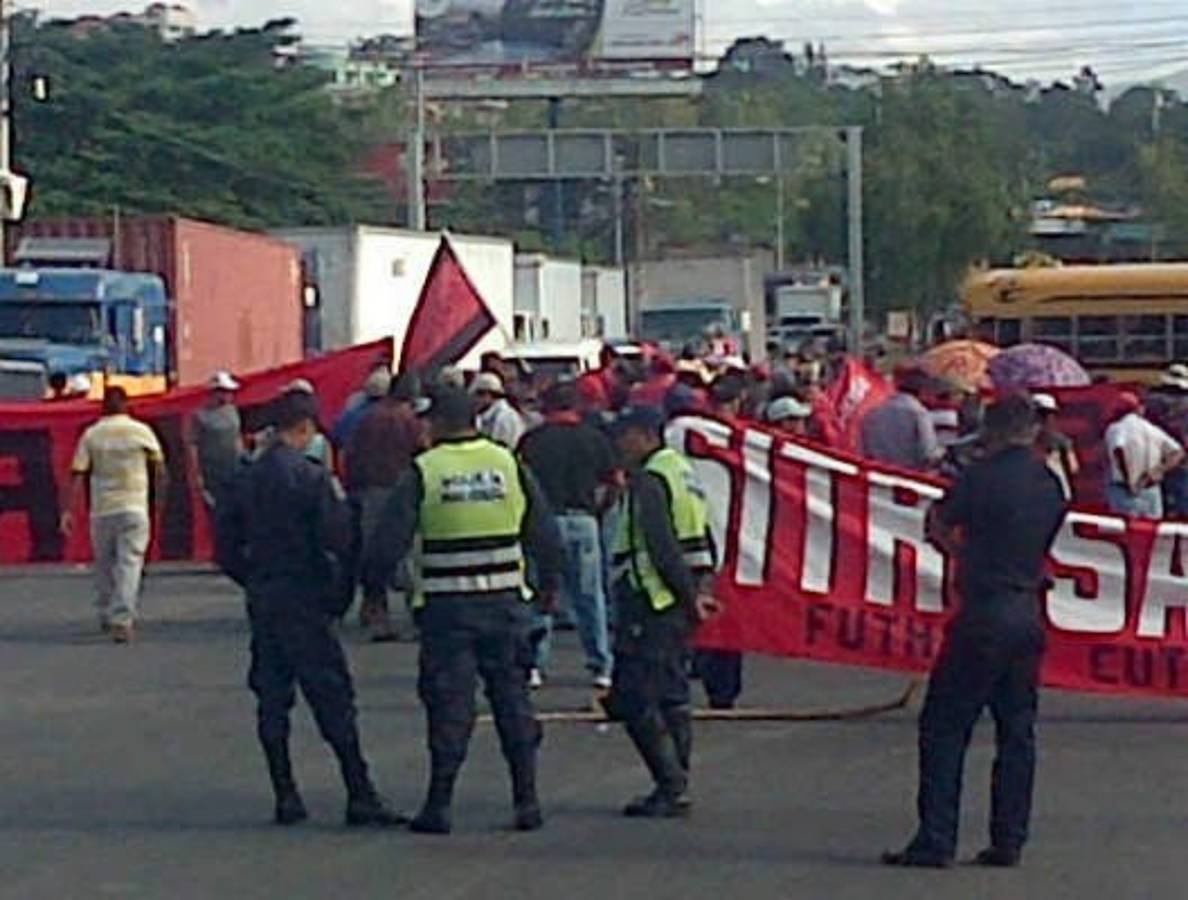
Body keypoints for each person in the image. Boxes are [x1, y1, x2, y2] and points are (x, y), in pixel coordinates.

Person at [363, 386, 563, 835]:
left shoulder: (425, 471)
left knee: (450, 706)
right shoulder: (507, 464)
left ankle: (439, 804)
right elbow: (545, 534)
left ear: (435, 424)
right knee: (512, 701)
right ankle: (526, 800)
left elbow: (386, 544)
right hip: (506, 603)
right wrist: (548, 587)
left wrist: (372, 589)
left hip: (448, 609)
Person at [883, 394, 1067, 869]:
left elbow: (939, 522)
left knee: (945, 727)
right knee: (1017, 731)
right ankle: (1009, 838)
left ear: (992, 429)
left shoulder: (979, 477)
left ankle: (936, 838)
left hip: (984, 609)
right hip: (1028, 609)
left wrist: (960, 554)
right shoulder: (1049, 482)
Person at [214, 389, 403, 829]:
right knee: (332, 697)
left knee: (272, 697)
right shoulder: (311, 477)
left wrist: (253, 577)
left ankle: (286, 794)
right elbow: (338, 539)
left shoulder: (245, 478)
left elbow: (226, 548)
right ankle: (359, 791)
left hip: (265, 594)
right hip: (305, 594)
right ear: (305, 429)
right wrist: (339, 592)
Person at [606, 406, 718, 818]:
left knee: (632, 696)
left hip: (651, 601)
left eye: (624, 436)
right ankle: (677, 780)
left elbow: (661, 545)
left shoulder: (650, 480)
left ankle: (670, 783)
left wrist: (688, 597)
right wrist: (701, 590)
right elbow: (704, 534)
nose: (618, 445)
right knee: (672, 693)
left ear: (643, 436)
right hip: (677, 601)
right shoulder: (682, 472)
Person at [518, 380, 619, 690]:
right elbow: (615, 481)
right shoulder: (594, 439)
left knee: (540, 593)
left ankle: (534, 664)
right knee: (590, 597)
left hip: (541, 522)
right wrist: (600, 510)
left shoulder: (531, 441)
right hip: (582, 520)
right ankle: (601, 665)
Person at [61, 387, 166, 644]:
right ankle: (122, 618)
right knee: (130, 563)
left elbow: (78, 473)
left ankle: (107, 611)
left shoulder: (93, 435)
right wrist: (160, 504)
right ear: (126, 405)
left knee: (105, 564)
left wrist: (68, 510)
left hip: (103, 508)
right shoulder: (141, 431)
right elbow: (161, 471)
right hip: (135, 506)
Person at [345, 372, 428, 641]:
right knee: (408, 555)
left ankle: (375, 611)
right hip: (401, 489)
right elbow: (423, 453)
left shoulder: (369, 417)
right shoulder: (409, 421)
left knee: (374, 553)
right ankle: (417, 615)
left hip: (369, 490)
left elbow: (352, 453)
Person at [1104, 392, 1184, 520]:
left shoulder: (1117, 428)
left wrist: (1130, 480)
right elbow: (1177, 452)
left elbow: (1118, 451)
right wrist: (1159, 470)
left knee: (1126, 534)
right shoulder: (1152, 429)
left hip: (1125, 491)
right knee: (1152, 533)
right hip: (1151, 491)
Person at [859, 366, 944, 472]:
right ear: (922, 390)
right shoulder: (918, 414)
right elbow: (929, 454)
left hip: (877, 477)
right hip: (910, 477)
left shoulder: (873, 413)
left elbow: (863, 450)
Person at [188, 371, 243, 511]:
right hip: (212, 473)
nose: (228, 395)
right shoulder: (199, 416)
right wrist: (197, 475)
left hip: (235, 470)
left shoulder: (233, 411)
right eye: (224, 392)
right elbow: (192, 446)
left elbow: (237, 436)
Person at [1033, 394, 1079, 501]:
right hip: (1057, 493)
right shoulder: (1061, 440)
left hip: (1041, 495)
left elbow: (1073, 468)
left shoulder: (1021, 440)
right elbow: (1074, 468)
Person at [471, 371, 526, 450]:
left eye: (478, 394)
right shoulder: (482, 417)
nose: (475, 400)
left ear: (488, 394)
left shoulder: (507, 417)